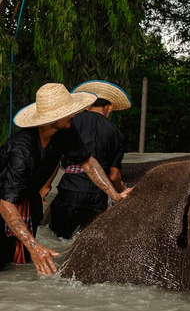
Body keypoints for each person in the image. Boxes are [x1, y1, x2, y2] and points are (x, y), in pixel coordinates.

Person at [0, 83, 129, 275]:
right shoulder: (21, 151)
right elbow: (5, 204)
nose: (74, 115)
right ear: (51, 119)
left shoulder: (64, 133)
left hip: (29, 201)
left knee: (18, 265)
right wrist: (34, 246)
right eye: (68, 112)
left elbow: (87, 162)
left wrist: (115, 195)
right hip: (6, 205)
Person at [48, 81, 132, 239]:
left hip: (70, 189)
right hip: (97, 195)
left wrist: (46, 186)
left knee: (58, 239)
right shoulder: (116, 133)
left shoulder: (71, 124)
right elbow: (113, 175)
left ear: (86, 106)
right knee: (88, 242)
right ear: (110, 107)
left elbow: (55, 157)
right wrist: (120, 193)